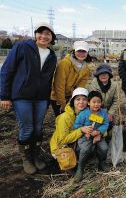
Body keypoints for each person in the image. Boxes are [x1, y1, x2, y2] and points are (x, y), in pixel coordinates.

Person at [0, 22, 57, 174]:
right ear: (35, 34)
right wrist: (4, 96)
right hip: (22, 95)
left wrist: (49, 98)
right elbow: (6, 70)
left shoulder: (52, 55)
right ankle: (26, 159)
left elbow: (50, 78)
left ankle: (35, 156)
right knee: (27, 128)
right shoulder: (23, 47)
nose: (44, 36)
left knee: (38, 128)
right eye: (41, 33)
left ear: (52, 37)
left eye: (48, 34)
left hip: (41, 97)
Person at [74, 91, 109, 181]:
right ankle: (80, 169)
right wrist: (84, 131)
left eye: (99, 102)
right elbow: (76, 125)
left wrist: (99, 131)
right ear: (89, 103)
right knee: (85, 149)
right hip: (86, 136)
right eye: (94, 102)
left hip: (98, 135)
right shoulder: (84, 114)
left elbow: (105, 124)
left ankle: (102, 162)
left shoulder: (103, 113)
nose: (96, 104)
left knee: (104, 148)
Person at [50, 40, 91, 117]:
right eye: (79, 51)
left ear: (87, 53)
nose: (81, 54)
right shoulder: (65, 63)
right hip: (57, 97)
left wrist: (77, 100)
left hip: (70, 96)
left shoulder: (86, 68)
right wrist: (62, 103)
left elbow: (80, 87)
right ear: (74, 51)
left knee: (71, 118)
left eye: (84, 51)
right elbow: (59, 85)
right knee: (62, 118)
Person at [50, 87, 92, 155]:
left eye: (84, 99)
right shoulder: (65, 117)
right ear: (73, 101)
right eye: (78, 99)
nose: (81, 102)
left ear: (88, 102)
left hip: (74, 141)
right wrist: (81, 130)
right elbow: (62, 140)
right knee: (85, 146)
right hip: (60, 148)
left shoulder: (87, 112)